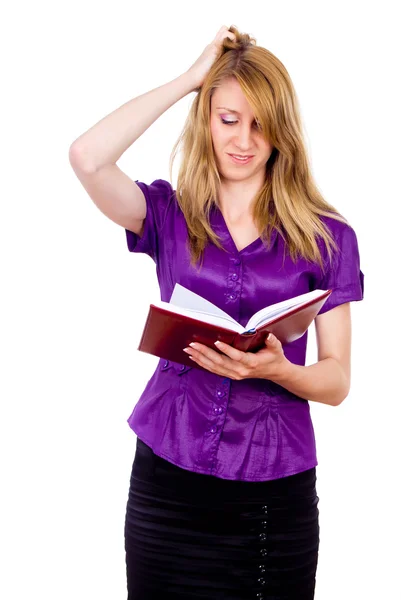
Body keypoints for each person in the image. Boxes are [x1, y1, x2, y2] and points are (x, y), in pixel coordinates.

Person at [69, 25, 364, 600]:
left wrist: (279, 371)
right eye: (228, 119)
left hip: (272, 499)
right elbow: (86, 157)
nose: (244, 140)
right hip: (166, 484)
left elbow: (337, 380)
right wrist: (189, 81)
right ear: (207, 119)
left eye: (261, 124)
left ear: (283, 132)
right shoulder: (169, 215)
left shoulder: (329, 237)